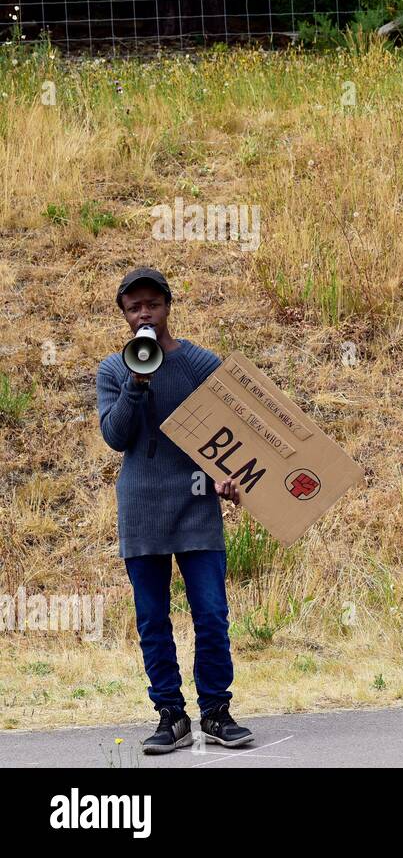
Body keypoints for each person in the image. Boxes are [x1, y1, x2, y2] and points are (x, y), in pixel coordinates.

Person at [96, 267, 254, 753]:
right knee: (152, 619)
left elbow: (234, 433)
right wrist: (135, 384)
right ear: (125, 315)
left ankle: (215, 712)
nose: (144, 313)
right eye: (134, 307)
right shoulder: (113, 369)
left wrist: (231, 480)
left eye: (153, 304)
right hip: (141, 509)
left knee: (210, 613)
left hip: (196, 506)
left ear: (168, 306)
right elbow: (116, 437)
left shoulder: (200, 363)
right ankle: (170, 715)